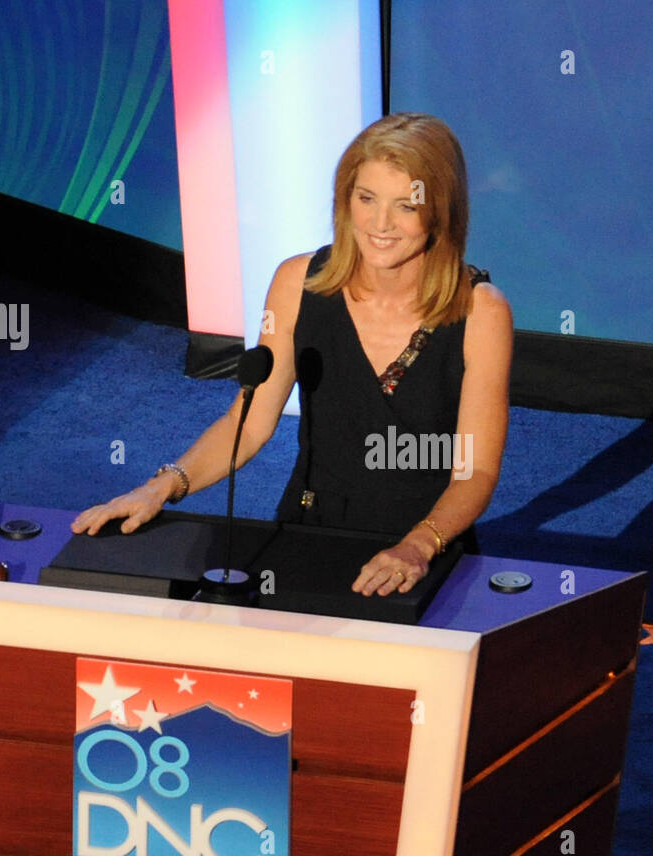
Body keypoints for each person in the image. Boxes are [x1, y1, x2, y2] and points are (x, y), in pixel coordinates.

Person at [71, 113, 513, 597]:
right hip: (310, 527)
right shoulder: (297, 283)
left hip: (422, 547)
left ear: (440, 211)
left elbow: (476, 471)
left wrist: (418, 547)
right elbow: (250, 423)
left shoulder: (480, 312)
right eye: (366, 199)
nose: (380, 224)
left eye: (405, 206)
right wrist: (160, 487)